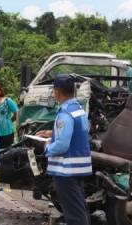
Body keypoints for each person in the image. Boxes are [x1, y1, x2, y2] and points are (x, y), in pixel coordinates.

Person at [36, 75, 92, 225]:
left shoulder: (65, 113)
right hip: (78, 169)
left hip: (66, 170)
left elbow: (61, 145)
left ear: (57, 92)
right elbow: (75, 132)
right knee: (80, 209)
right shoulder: (78, 109)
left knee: (74, 215)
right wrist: (52, 133)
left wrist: (45, 146)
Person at [0, 83, 18, 149]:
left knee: (8, 152)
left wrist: (10, 120)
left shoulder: (7, 101)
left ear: (0, 91)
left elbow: (16, 112)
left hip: (8, 132)